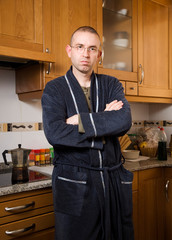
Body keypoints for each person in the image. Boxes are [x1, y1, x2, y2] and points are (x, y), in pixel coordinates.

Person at [42, 26, 134, 240]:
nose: (85, 54)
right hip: (74, 183)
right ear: (69, 50)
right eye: (80, 47)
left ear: (99, 54)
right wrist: (105, 122)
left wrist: (80, 121)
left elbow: (123, 120)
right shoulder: (54, 89)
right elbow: (55, 133)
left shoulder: (111, 84)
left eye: (92, 48)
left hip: (112, 180)